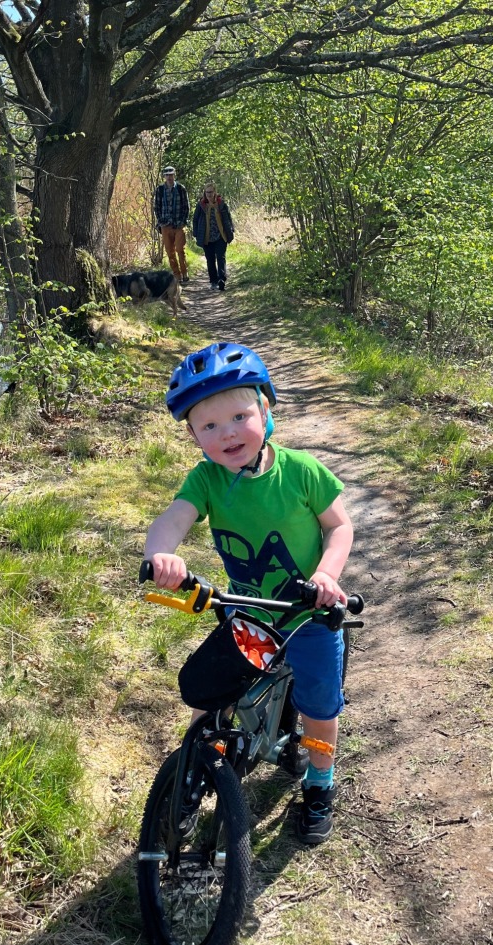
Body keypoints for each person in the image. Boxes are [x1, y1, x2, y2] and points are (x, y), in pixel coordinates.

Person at [144, 342, 354, 844]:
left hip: (306, 613)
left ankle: (319, 783)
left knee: (319, 708)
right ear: (193, 435)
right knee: (211, 691)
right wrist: (161, 554)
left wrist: (327, 576)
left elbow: (340, 527)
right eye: (209, 426)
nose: (228, 433)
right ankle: (194, 772)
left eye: (239, 416)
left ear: (265, 410)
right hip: (252, 612)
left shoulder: (300, 471)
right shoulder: (208, 478)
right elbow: (173, 519)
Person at [192, 181, 234, 291]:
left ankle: (221, 279)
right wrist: (195, 233)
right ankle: (213, 281)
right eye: (207, 192)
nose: (209, 194)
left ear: (215, 192)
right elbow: (195, 219)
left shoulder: (221, 204)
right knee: (210, 260)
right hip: (207, 237)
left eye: (211, 192)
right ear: (204, 193)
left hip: (220, 236)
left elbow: (228, 218)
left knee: (221, 257)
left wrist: (231, 230)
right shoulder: (201, 205)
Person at [153, 166, 190, 284]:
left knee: (180, 249)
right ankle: (177, 275)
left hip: (178, 225)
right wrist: (160, 220)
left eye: (171, 174)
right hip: (165, 225)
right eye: (167, 175)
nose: (169, 177)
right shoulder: (160, 189)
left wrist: (183, 221)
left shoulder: (180, 188)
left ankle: (185, 273)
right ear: (164, 176)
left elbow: (186, 206)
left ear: (174, 175)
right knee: (170, 252)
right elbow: (156, 207)